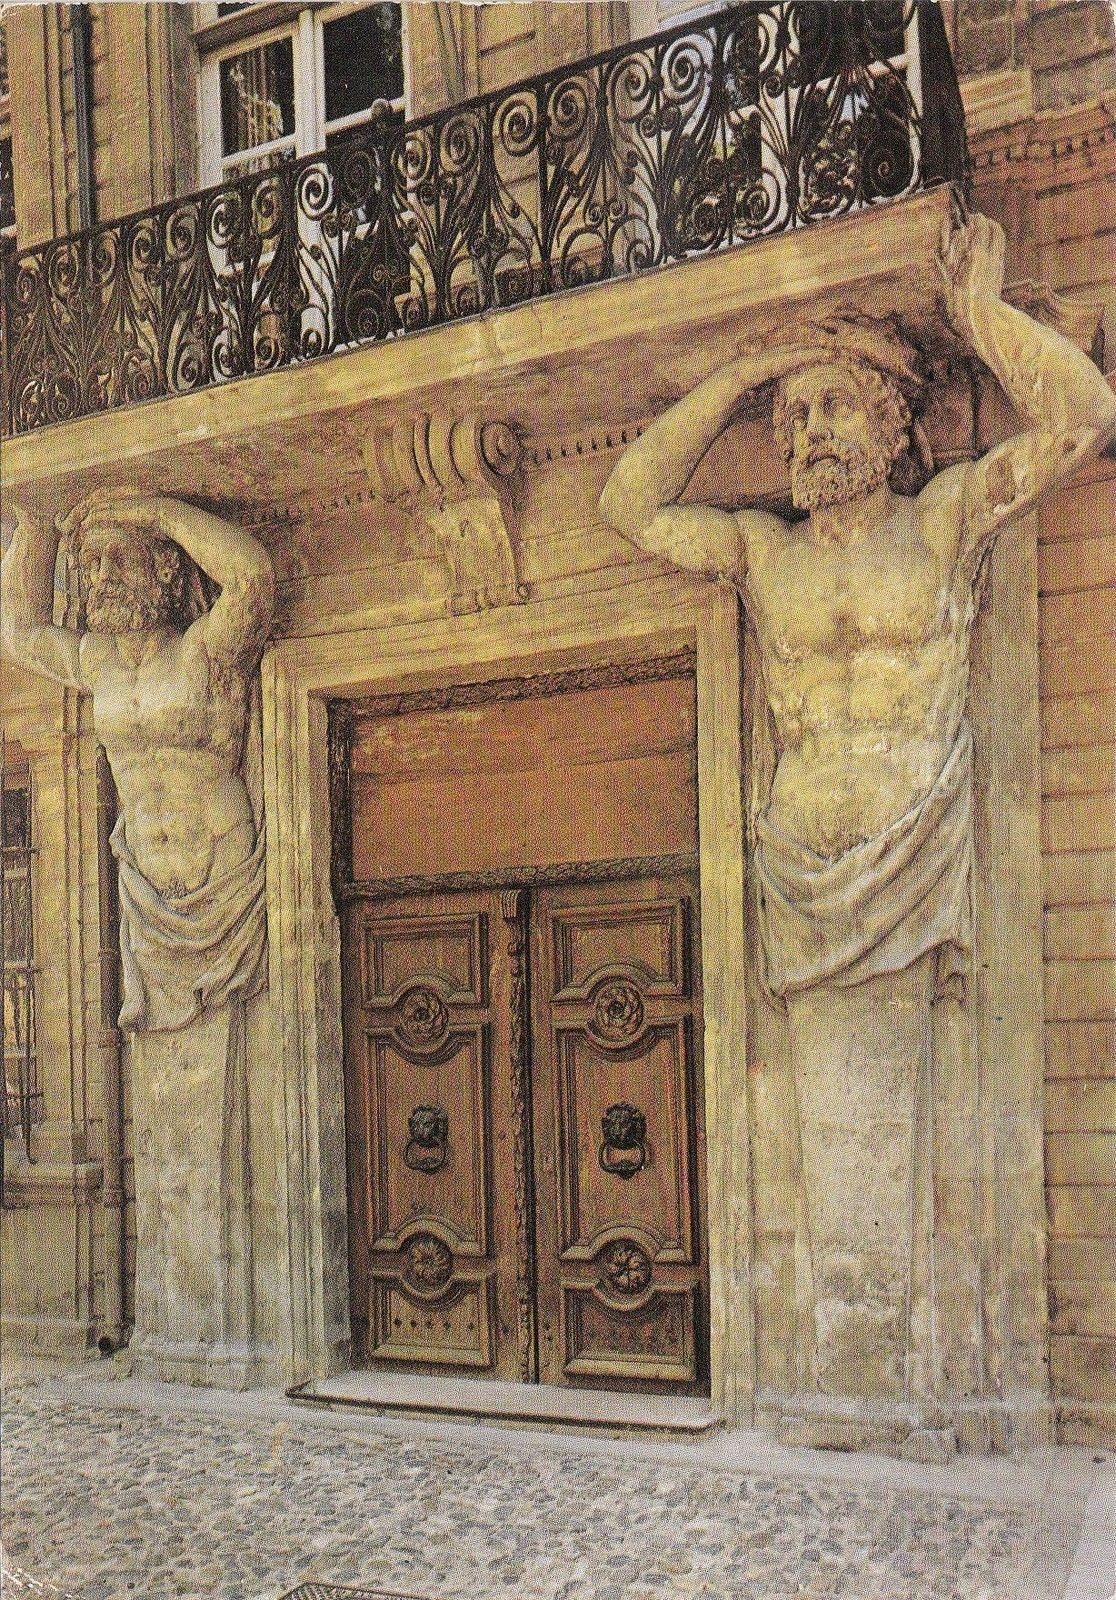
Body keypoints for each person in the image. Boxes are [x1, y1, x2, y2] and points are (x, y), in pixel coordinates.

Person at [1, 491, 274, 1030]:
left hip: (224, 881)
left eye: (119, 557)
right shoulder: (97, 663)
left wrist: (159, 513)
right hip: (147, 895)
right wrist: (35, 520)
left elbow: (252, 581)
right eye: (92, 563)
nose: (102, 576)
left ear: (165, 567)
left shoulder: (203, 651)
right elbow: (20, 634)